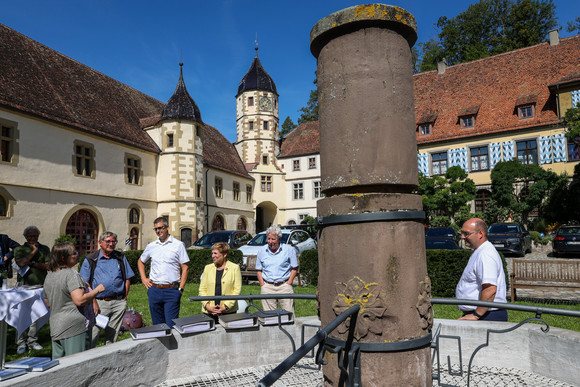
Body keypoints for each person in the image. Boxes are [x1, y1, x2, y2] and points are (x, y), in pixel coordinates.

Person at [43, 242, 105, 359]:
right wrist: (97, 290)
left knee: (59, 369)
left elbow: (48, 303)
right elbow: (79, 300)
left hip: (56, 327)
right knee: (77, 366)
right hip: (75, 329)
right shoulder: (71, 274)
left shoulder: (49, 276)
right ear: (63, 257)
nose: (77, 255)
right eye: (74, 253)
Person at [80, 231, 134, 347]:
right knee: (94, 334)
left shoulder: (120, 257)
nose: (111, 244)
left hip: (118, 302)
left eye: (113, 241)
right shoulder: (91, 259)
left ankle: (110, 358)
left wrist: (125, 297)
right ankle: (89, 358)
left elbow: (127, 278)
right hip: (99, 303)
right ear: (100, 243)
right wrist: (93, 302)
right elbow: (85, 283)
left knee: (113, 336)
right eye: (108, 241)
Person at [138, 217, 189, 327]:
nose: (158, 231)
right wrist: (143, 278)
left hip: (172, 290)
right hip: (154, 290)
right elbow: (140, 261)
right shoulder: (151, 246)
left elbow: (185, 268)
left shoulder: (178, 245)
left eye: (160, 228)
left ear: (167, 227)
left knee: (171, 326)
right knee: (157, 326)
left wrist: (180, 289)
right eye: (155, 229)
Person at [456, 218, 508, 321]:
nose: (462, 237)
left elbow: (490, 288)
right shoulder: (481, 251)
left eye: (466, 233)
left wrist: (476, 315)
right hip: (484, 314)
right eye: (462, 233)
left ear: (480, 233)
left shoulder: (486, 254)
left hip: (487, 316)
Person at [13, 226, 50, 353]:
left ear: (38, 236)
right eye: (29, 236)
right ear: (25, 236)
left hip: (39, 286)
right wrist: (33, 252)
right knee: (21, 315)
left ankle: (32, 340)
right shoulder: (19, 249)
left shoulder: (45, 249)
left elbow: (48, 266)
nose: (32, 238)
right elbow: (20, 263)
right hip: (23, 286)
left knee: (36, 315)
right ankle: (21, 342)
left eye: (34, 236)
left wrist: (31, 263)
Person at [256, 225, 298, 314]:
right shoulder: (262, 251)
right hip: (267, 286)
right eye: (269, 239)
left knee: (288, 315)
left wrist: (289, 283)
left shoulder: (289, 250)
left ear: (279, 239)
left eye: (273, 239)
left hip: (284, 286)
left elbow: (294, 268)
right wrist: (262, 284)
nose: (270, 242)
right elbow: (259, 270)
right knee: (269, 316)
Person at [199, 242, 242, 320]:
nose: (213, 256)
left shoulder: (234, 268)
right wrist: (208, 307)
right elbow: (202, 290)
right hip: (209, 312)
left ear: (224, 254)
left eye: (215, 253)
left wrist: (225, 307)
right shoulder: (207, 268)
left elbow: (237, 290)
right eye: (212, 253)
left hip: (229, 312)